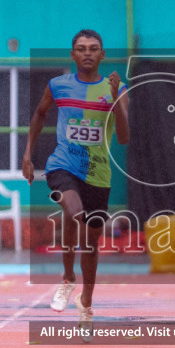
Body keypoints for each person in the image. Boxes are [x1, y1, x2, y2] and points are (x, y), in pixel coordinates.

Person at [21, 29, 129, 330]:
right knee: (73, 211)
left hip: (98, 174)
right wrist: (27, 155)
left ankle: (87, 302)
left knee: (91, 242)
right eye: (81, 48)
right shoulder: (58, 86)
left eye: (94, 48)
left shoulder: (116, 89)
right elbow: (40, 115)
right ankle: (67, 277)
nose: (87, 53)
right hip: (63, 164)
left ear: (102, 55)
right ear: (72, 54)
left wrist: (117, 96)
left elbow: (123, 136)